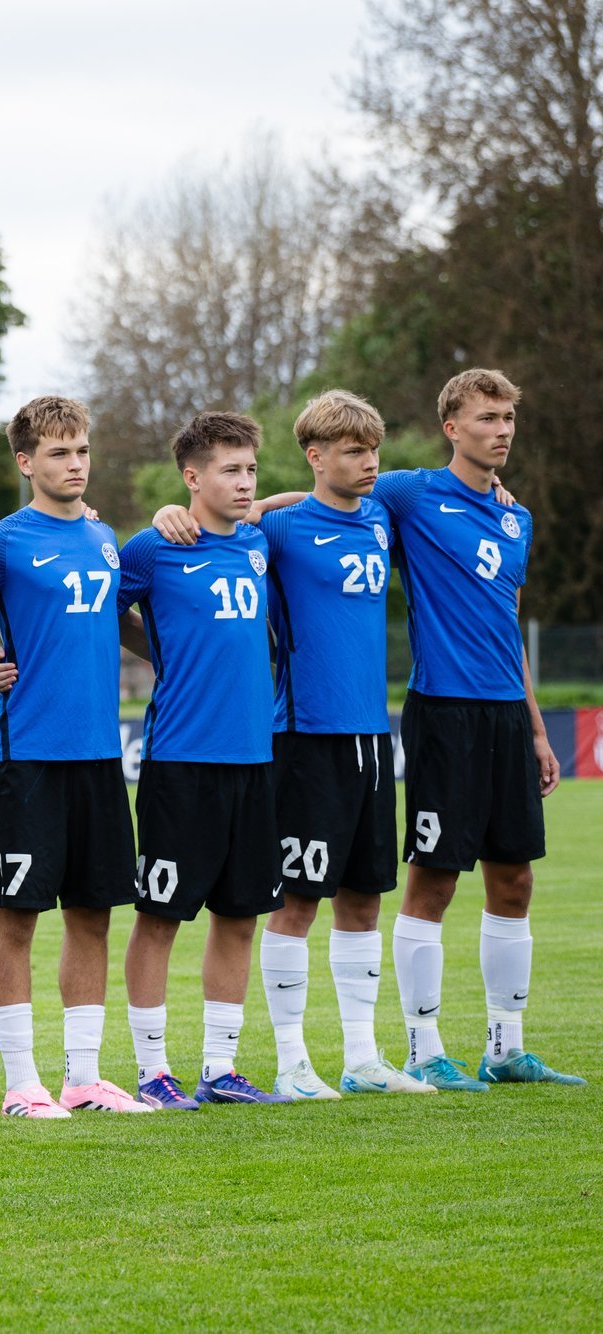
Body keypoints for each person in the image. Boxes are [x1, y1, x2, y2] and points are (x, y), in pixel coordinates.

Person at [165, 392, 435, 1097]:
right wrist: (175, 513)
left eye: (372, 449)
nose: (369, 462)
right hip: (304, 738)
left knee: (366, 899)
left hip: (372, 739)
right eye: (351, 451)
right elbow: (234, 518)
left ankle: (361, 1057)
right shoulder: (277, 533)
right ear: (317, 457)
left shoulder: (381, 517)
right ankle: (289, 1062)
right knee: (296, 902)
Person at [367, 370, 580, 1089]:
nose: (504, 430)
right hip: (443, 713)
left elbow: (506, 623)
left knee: (514, 879)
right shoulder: (409, 494)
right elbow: (321, 499)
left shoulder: (516, 518)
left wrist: (539, 732)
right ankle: (424, 1048)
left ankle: (504, 1047)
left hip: (505, 720)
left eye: (510, 418)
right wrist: (199, 512)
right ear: (452, 427)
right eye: (489, 417)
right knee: (433, 880)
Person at [0, 396, 152, 1117]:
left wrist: (175, 660)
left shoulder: (105, 538)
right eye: (60, 452)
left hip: (100, 753)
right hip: (29, 754)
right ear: (26, 461)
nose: (74, 464)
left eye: (83, 451)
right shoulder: (0, 543)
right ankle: (20, 1083)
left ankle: (83, 1078)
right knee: (18, 916)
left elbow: (120, 617)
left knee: (94, 915)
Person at [114, 412, 291, 1109]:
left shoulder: (257, 544)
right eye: (229, 469)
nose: (244, 482)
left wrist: (269, 499)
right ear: (192, 477)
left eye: (250, 469)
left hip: (255, 759)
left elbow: (310, 500)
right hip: (180, 760)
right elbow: (95, 615)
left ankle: (220, 1068)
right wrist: (159, 655)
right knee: (159, 916)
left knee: (240, 914)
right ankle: (153, 1071)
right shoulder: (152, 548)